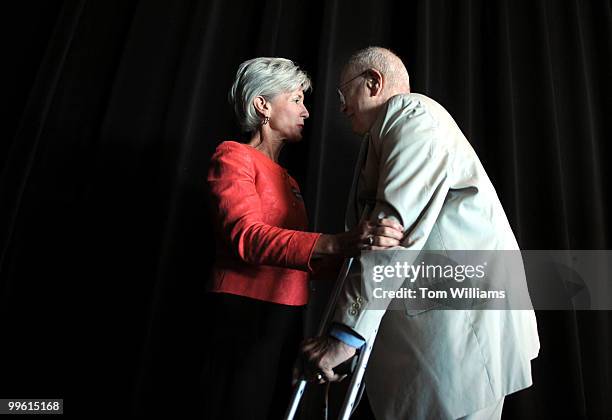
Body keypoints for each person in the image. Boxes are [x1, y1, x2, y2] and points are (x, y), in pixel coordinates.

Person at [297, 47, 540, 420]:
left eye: (343, 95)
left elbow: (392, 230)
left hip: (462, 326)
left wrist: (344, 336)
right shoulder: (384, 134)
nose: (341, 107)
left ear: (374, 82)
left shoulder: (412, 115)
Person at [203, 57, 404, 420]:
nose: (306, 112)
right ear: (262, 105)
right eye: (296, 99)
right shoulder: (233, 156)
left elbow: (305, 262)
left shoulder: (288, 180)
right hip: (242, 316)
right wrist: (342, 242)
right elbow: (247, 239)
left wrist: (373, 254)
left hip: (286, 320)